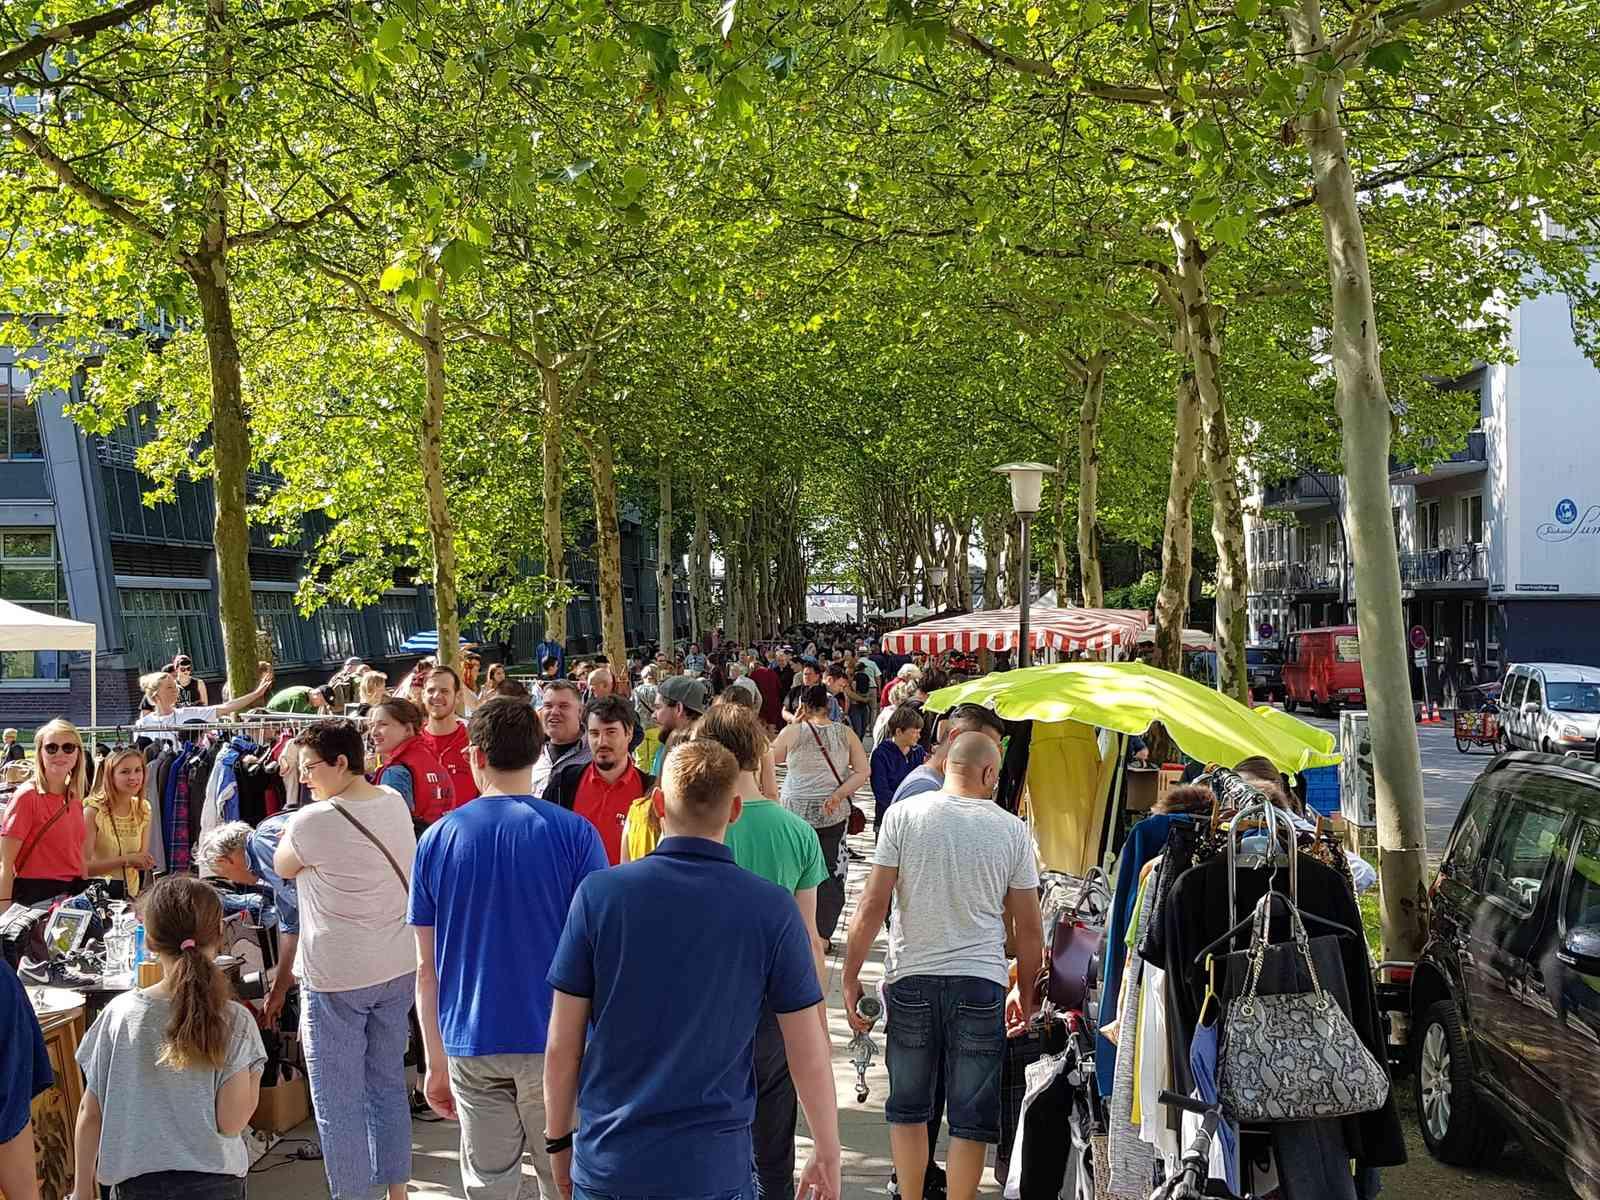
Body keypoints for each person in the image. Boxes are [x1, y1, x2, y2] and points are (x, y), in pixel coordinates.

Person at [544, 739, 843, 1200]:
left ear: (658, 804)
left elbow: (563, 1045)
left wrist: (558, 1140)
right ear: (736, 809)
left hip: (611, 1161)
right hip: (713, 1169)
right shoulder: (771, 909)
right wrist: (826, 1148)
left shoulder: (599, 897)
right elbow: (807, 1049)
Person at [408, 698, 606, 1200]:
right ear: (540, 753)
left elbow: (425, 967)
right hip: (555, 1038)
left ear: (475, 756)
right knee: (564, 1176)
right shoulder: (575, 834)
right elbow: (601, 950)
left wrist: (433, 1058)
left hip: (469, 1037)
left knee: (489, 1182)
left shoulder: (435, 841)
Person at [843, 733, 1044, 1200]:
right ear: (990, 774)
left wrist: (851, 976)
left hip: (911, 977)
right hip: (981, 984)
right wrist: (1027, 997)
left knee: (908, 1108)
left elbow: (873, 904)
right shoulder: (1011, 830)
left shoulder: (903, 815)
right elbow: (1029, 929)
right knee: (971, 1119)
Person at [276, 719, 417, 1200]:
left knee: (338, 1102)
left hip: (337, 975)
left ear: (341, 763)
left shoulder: (312, 821)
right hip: (396, 966)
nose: (303, 777)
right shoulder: (393, 801)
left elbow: (281, 864)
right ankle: (397, 1191)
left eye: (309, 767)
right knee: (386, 1086)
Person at [694, 706, 829, 1200]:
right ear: (758, 754)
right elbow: (808, 936)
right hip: (777, 1008)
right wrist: (816, 1022)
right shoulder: (795, 832)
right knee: (774, 1145)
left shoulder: (693, 822)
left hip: (703, 1004)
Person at [70, 875, 266, 1200]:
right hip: (216, 1184)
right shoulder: (236, 1020)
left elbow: (90, 1114)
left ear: (148, 940)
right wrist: (255, 1072)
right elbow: (231, 1122)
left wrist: (81, 1191)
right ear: (220, 934)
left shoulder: (116, 1017)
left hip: (135, 1186)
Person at [771, 684, 869, 945]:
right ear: (829, 706)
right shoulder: (845, 733)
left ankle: (794, 931)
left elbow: (770, 758)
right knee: (830, 872)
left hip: (794, 813)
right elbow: (862, 771)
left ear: (801, 706)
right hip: (832, 813)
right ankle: (822, 934)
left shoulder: (792, 732)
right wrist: (838, 794)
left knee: (793, 871)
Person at [197, 818, 301, 1027]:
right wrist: (279, 989)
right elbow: (291, 928)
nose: (234, 882)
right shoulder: (271, 878)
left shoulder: (262, 840)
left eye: (223, 874)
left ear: (225, 861)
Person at [544, 696, 653, 865]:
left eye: (611, 732)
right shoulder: (563, 784)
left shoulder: (649, 792)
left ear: (629, 733)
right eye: (594, 733)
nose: (602, 742)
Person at [0, 718, 89, 915]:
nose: (60, 754)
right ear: (40, 752)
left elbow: (78, 854)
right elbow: (5, 863)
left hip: (73, 899)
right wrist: (4, 914)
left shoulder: (74, 799)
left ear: (78, 754)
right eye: (51, 748)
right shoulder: (27, 796)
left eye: (68, 748)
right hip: (36, 901)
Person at [891, 705, 1007, 807]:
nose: (992, 755)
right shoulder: (925, 788)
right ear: (956, 736)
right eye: (984, 745)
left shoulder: (933, 785)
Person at [368, 697, 457, 828]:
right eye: (372, 725)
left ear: (408, 729)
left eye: (383, 724)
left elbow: (390, 830)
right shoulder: (432, 761)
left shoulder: (395, 773)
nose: (374, 732)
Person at [136, 665, 273, 746]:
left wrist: (256, 694)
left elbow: (226, 707)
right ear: (156, 694)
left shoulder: (188, 714)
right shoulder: (142, 724)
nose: (175, 690)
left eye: (175, 687)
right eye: (169, 688)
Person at [82, 747, 154, 897]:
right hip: (100, 897)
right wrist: (126, 860)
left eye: (138, 770)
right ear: (110, 775)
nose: (133, 777)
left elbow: (140, 857)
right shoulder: (93, 811)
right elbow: (83, 867)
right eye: (125, 772)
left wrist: (144, 861)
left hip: (131, 896)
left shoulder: (143, 808)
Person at [420, 666, 478, 809]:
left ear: (458, 697)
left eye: (444, 691)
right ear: (423, 695)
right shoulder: (413, 743)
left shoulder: (475, 741)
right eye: (431, 690)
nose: (436, 696)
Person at [871, 706, 928, 835]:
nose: (919, 736)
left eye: (919, 731)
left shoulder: (918, 752)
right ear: (899, 732)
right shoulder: (881, 754)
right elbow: (881, 791)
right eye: (914, 732)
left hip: (915, 819)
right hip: (888, 818)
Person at [530, 680, 591, 798]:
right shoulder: (529, 753)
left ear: (580, 711)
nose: (554, 712)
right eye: (548, 706)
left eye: (563, 706)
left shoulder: (596, 754)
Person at [650, 674, 709, 776]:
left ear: (678, 708)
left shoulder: (693, 761)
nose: (653, 715)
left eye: (658, 707)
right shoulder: (668, 745)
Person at [266, 683, 334, 714]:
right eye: (322, 701)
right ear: (317, 694)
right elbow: (294, 720)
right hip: (271, 715)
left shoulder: (310, 695)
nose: (321, 705)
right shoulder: (299, 698)